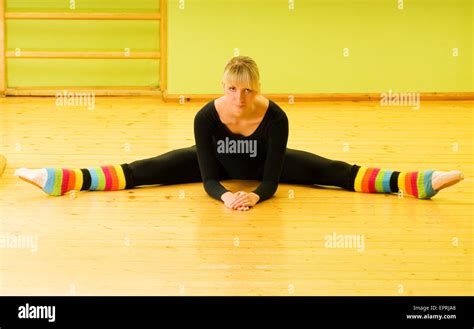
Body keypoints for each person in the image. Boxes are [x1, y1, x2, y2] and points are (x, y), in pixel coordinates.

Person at [14, 56, 464, 211]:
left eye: (247, 90)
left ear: (258, 89)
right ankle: (60, 178)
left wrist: (258, 195)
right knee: (143, 169)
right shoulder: (206, 117)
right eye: (231, 89)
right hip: (215, 163)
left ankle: (418, 183)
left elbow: (269, 177)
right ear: (222, 87)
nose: (239, 98)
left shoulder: (276, 117)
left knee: (336, 170)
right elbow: (209, 176)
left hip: (261, 164)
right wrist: (225, 195)